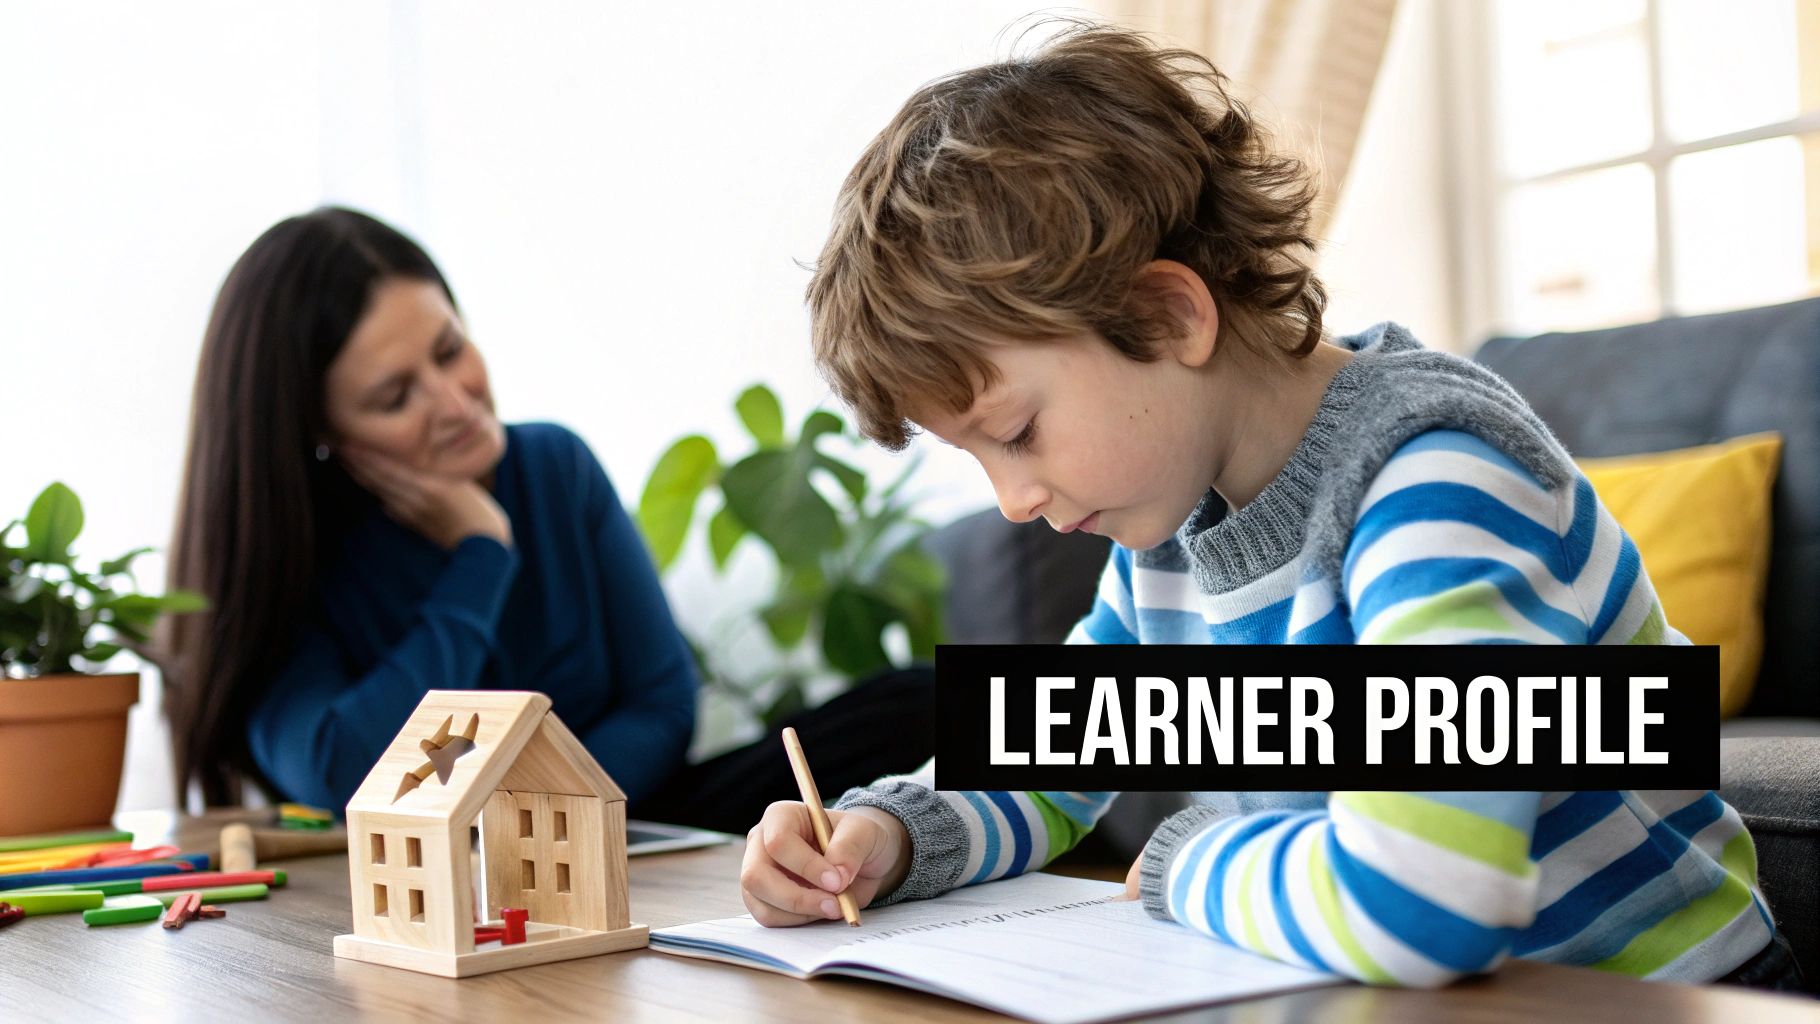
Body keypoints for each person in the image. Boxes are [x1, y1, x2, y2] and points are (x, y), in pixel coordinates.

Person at [735, 22, 1798, 991]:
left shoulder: (1434, 480)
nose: (1012, 499)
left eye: (1015, 433)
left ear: (1165, 311)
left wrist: (1187, 858)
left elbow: (1423, 903)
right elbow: (1052, 762)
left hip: (1652, 996)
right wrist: (889, 831)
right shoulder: (1169, 531)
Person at [158, 207, 932, 833]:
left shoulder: (552, 468)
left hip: (618, 822)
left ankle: (1034, 802)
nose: (455, 402)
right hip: (427, 876)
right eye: (396, 397)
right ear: (318, 435)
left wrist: (526, 817)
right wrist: (480, 555)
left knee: (929, 700)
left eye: (450, 350)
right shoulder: (293, 559)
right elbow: (344, 771)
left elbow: (663, 705)